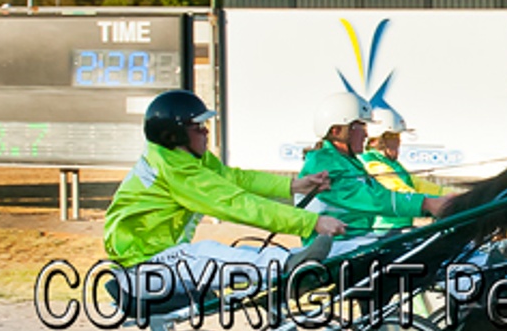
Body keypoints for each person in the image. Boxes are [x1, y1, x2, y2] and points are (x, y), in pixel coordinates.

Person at [103, 89, 347, 304]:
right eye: (197, 126)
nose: (205, 131)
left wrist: (294, 185)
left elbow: (235, 180)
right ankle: (286, 267)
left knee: (232, 255)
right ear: (174, 135)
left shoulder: (182, 155)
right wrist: (311, 222)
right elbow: (237, 204)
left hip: (156, 260)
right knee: (204, 253)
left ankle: (291, 263)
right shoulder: (176, 170)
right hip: (140, 271)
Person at [298, 95, 453, 260]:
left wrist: (443, 201)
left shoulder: (349, 162)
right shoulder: (323, 163)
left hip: (354, 241)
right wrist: (427, 203)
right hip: (332, 248)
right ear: (337, 131)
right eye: (360, 126)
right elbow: (373, 199)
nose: (366, 134)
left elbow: (383, 192)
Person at [361, 107, 447, 232]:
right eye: (393, 137)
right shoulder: (371, 164)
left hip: (400, 229)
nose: (399, 141)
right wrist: (431, 202)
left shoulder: (392, 164)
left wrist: (453, 195)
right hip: (382, 231)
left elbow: (419, 185)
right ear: (376, 141)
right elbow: (399, 189)